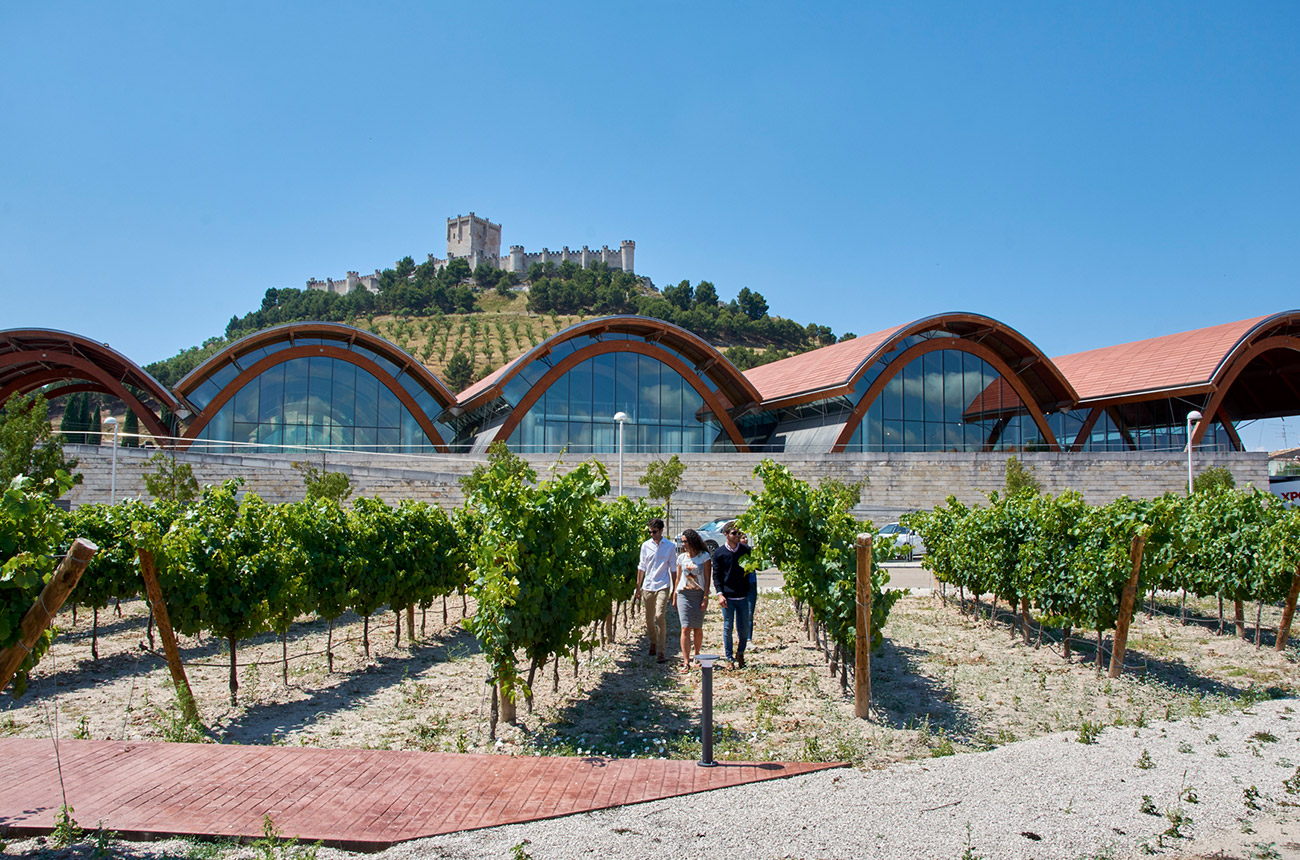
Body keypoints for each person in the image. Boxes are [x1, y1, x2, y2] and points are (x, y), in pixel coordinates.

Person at [636, 517, 676, 664]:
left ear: (661, 531)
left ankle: (661, 650)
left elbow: (673, 568)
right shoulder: (645, 546)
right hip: (648, 585)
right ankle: (652, 641)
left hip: (663, 585)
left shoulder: (670, 546)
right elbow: (642, 567)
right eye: (650, 532)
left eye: (654, 532)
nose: (652, 535)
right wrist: (638, 587)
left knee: (659, 616)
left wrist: (674, 588)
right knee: (649, 618)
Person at [712, 524, 752, 668]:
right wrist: (720, 594)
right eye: (734, 533)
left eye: (739, 533)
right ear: (726, 535)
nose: (737, 536)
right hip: (728, 597)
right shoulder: (719, 553)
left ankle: (740, 652)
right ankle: (729, 658)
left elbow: (757, 566)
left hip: (742, 596)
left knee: (744, 630)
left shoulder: (746, 551)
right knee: (728, 628)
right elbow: (716, 575)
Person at [672, 528, 712, 673]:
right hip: (684, 594)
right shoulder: (681, 558)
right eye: (682, 542)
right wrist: (675, 595)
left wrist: (705, 597)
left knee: (697, 627)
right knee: (685, 627)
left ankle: (697, 655)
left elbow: (707, 579)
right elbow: (678, 578)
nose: (683, 545)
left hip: (698, 594)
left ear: (692, 541)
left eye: (685, 542)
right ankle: (686, 660)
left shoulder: (704, 557)